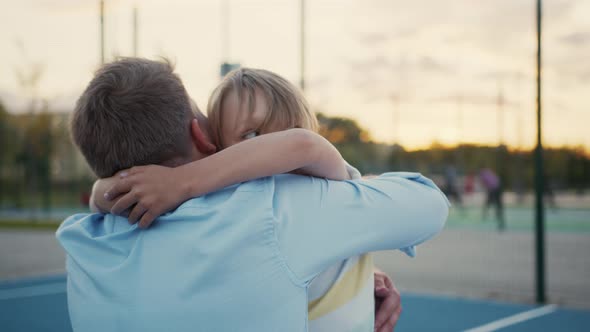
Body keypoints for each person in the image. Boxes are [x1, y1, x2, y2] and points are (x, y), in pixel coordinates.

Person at [57, 58, 449, 332]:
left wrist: (106, 189)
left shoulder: (80, 243)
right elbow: (429, 204)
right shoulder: (273, 212)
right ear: (204, 137)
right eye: (248, 138)